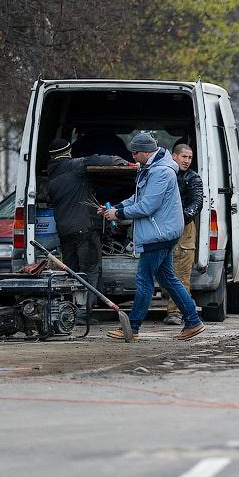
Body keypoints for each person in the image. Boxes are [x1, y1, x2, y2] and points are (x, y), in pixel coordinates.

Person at [100, 132, 204, 340]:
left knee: (144, 281)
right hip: (162, 233)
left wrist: (118, 214)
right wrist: (116, 207)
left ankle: (132, 328)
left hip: (158, 235)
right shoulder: (151, 169)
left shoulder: (161, 172)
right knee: (168, 280)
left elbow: (147, 206)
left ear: (147, 152)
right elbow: (137, 197)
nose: (133, 157)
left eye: (135, 153)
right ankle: (193, 321)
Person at [45, 138, 131, 324]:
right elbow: (99, 159)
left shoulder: (51, 176)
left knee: (72, 273)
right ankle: (84, 314)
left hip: (65, 233)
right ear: (68, 153)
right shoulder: (75, 166)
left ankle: (69, 314)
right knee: (90, 271)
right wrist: (125, 163)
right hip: (84, 230)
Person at [158, 143, 203, 325]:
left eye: (190, 158)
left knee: (182, 272)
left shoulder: (193, 178)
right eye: (184, 157)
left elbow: (197, 202)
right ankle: (173, 299)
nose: (187, 161)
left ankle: (176, 313)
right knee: (161, 269)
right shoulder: (163, 173)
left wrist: (182, 217)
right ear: (174, 156)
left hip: (184, 228)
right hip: (162, 226)